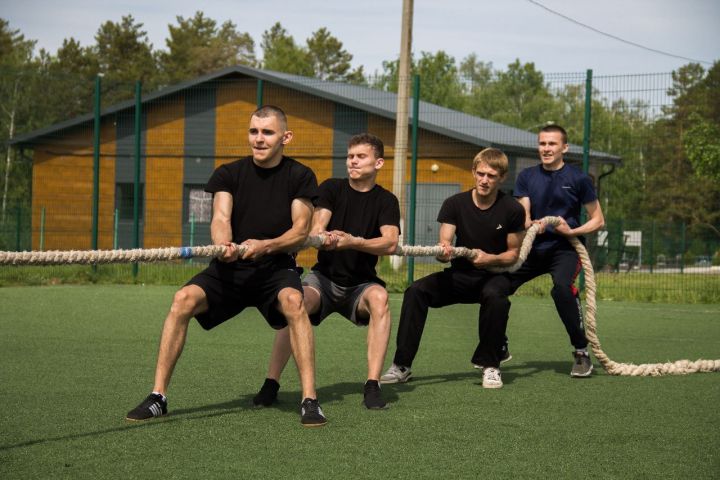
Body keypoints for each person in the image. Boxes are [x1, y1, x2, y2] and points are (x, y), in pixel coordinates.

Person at [126, 105, 328, 427]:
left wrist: (265, 245)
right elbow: (220, 217)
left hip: (275, 267)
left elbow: (300, 230)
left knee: (294, 302)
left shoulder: (300, 176)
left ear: (285, 137)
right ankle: (158, 397)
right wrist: (225, 246)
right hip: (230, 268)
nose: (259, 139)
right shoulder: (228, 173)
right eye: (253, 132)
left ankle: (309, 400)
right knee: (182, 300)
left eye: (267, 132)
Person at [253, 133, 400, 410]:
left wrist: (354, 241)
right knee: (295, 303)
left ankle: (372, 385)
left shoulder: (386, 200)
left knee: (380, 298)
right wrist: (323, 236)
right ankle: (271, 383)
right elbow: (318, 227)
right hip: (323, 279)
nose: (353, 162)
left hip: (361, 285)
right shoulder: (332, 188)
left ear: (378, 163)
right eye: (350, 156)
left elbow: (390, 242)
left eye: (360, 157)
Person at [381, 147, 525, 389]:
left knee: (496, 297)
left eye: (491, 176)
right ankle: (401, 365)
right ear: (473, 172)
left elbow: (513, 254)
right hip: (461, 275)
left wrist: (488, 259)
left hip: (494, 275)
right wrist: (444, 252)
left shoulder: (512, 209)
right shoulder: (454, 204)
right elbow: (445, 243)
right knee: (416, 291)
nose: (484, 180)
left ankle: (491, 366)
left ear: (502, 178)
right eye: (480, 174)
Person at [502, 124, 604, 377]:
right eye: (542, 144)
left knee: (562, 289)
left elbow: (597, 220)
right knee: (496, 285)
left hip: (565, 249)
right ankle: (498, 344)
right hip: (533, 247)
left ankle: (581, 352)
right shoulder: (526, 177)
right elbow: (523, 215)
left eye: (552, 144)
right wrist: (530, 224)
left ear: (564, 148)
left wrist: (572, 231)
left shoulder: (579, 178)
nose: (546, 149)